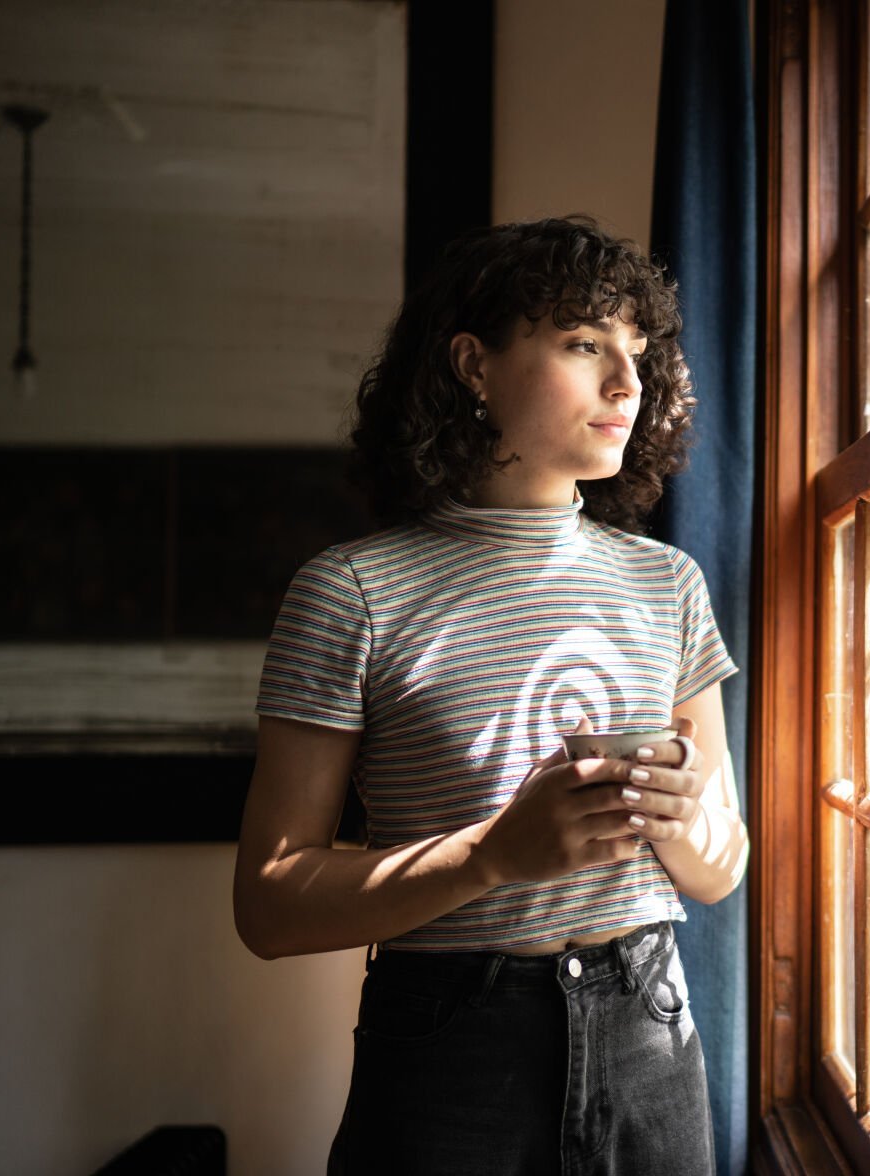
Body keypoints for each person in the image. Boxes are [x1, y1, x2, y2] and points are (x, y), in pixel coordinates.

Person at [233, 216, 747, 1175]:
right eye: (584, 344)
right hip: (450, 1050)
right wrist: (492, 855)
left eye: (636, 353)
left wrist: (677, 821)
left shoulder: (667, 583)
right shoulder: (352, 593)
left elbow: (719, 870)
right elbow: (269, 906)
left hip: (654, 1032)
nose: (628, 383)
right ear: (474, 365)